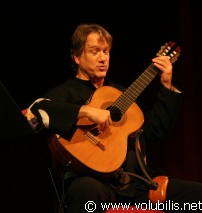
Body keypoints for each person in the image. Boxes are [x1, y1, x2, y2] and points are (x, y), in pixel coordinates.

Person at [23, 23, 202, 213]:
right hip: (97, 185)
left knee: (197, 196)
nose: (102, 58)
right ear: (77, 57)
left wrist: (166, 85)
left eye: (106, 52)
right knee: (84, 189)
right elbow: (35, 111)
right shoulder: (67, 92)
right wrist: (86, 111)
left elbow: (155, 131)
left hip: (137, 185)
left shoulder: (121, 93)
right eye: (94, 52)